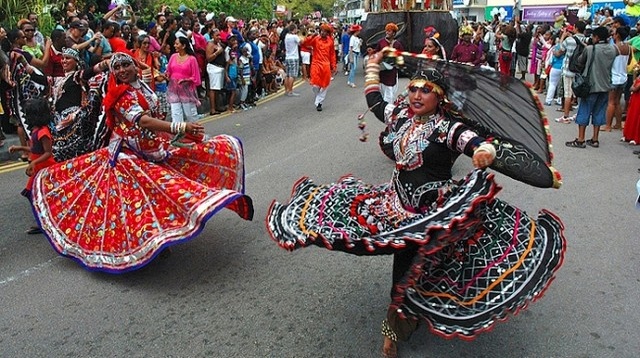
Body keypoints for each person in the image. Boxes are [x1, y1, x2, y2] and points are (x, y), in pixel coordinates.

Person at [266, 49, 565, 358]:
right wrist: (371, 68)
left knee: (412, 271)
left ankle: (393, 331)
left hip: (434, 212)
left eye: (427, 90)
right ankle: (408, 316)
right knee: (399, 260)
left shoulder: (449, 128)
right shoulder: (400, 116)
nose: (417, 95)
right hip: (394, 206)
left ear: (441, 98)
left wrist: (484, 153)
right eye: (413, 88)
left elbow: (476, 144)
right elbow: (375, 102)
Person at [30, 52, 254, 273]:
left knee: (162, 191)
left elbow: (155, 113)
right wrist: (180, 127)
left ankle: (159, 239)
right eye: (116, 68)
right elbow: (143, 121)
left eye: (125, 65)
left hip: (151, 149)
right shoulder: (121, 94)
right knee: (139, 204)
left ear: (135, 66)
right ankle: (146, 245)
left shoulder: (143, 87)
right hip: (127, 155)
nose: (121, 71)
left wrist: (169, 136)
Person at [49, 48, 110, 161]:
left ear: (76, 62)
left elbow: (92, 71)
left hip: (73, 122)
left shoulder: (77, 76)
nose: (64, 61)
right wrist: (23, 60)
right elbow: (38, 78)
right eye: (62, 58)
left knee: (75, 155)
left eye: (68, 58)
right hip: (59, 122)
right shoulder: (57, 80)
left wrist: (105, 63)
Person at [8, 98, 57, 234]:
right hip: (38, 167)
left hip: (44, 168)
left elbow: (48, 152)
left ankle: (43, 220)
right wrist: (19, 148)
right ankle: (43, 220)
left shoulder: (43, 132)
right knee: (36, 194)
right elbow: (35, 149)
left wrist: (34, 162)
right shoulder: (36, 131)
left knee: (33, 193)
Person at [566, 26, 619, 148]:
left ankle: (580, 139)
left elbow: (580, 61)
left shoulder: (590, 49)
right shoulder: (613, 49)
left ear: (597, 37)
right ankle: (595, 139)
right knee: (599, 112)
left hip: (590, 86)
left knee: (584, 111)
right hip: (606, 85)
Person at [302, 23, 337, 111]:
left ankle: (319, 102)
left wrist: (334, 66)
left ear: (328, 33)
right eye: (322, 31)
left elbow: (332, 54)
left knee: (325, 85)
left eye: (325, 31)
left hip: (326, 65)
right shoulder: (315, 39)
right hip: (316, 64)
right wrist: (312, 36)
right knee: (315, 85)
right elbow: (305, 43)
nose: (323, 33)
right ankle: (318, 98)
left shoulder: (330, 41)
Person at [166, 37, 201, 123]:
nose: (175, 46)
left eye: (177, 44)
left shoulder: (192, 59)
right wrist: (165, 76)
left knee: (190, 115)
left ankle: (196, 134)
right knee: (176, 115)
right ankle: (179, 134)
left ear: (184, 46)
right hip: (174, 90)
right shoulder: (173, 57)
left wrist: (186, 80)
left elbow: (196, 78)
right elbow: (168, 72)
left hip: (187, 92)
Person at [604, 26, 630, 132]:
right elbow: (629, 62)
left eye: (614, 33)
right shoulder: (628, 47)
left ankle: (608, 125)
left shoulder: (614, 48)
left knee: (610, 102)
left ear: (617, 35)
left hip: (614, 77)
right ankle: (618, 124)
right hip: (623, 76)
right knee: (618, 102)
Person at [375, 22, 404, 103]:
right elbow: (376, 53)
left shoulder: (397, 44)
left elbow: (401, 57)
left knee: (389, 94)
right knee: (382, 92)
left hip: (391, 73)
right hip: (382, 72)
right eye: (386, 31)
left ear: (394, 33)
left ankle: (387, 110)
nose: (387, 32)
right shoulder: (381, 42)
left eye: (389, 31)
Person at [206, 28, 227, 115]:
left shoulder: (218, 44)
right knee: (213, 89)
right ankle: (212, 109)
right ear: (212, 36)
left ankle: (217, 106)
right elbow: (208, 58)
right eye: (216, 35)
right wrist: (217, 53)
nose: (219, 37)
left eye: (219, 35)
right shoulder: (210, 45)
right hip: (214, 68)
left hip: (220, 68)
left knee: (217, 89)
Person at [622, 66, 640, 144]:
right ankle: (629, 135)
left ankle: (636, 137)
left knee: (636, 116)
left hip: (638, 97)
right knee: (632, 115)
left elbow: (634, 88)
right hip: (635, 97)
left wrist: (633, 87)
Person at [283, 24, 301, 96]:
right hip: (294, 57)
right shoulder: (294, 36)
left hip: (287, 57)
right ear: (294, 29)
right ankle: (290, 91)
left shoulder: (287, 36)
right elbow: (300, 43)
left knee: (287, 75)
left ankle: (286, 90)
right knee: (292, 75)